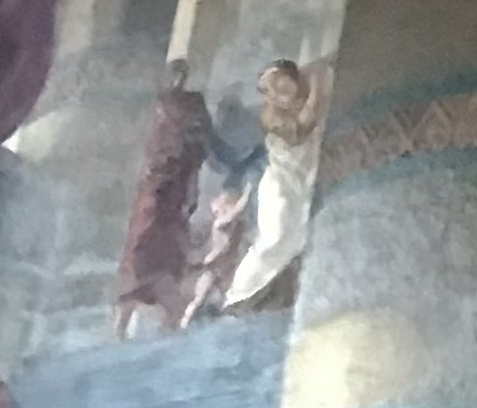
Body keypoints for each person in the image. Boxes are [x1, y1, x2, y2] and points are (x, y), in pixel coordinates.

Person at [187, 56, 326, 318]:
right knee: (275, 238)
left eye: (286, 87)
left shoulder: (295, 108)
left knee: (296, 237)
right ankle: (240, 294)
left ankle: (274, 294)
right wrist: (317, 83)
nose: (282, 95)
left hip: (299, 183)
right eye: (276, 90)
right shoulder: (272, 117)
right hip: (280, 189)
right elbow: (303, 126)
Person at [112, 60, 214, 335]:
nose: (175, 80)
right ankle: (123, 319)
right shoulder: (156, 104)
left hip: (178, 177)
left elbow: (202, 136)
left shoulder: (192, 103)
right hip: (155, 178)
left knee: (168, 234)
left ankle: (171, 313)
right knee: (142, 233)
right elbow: (145, 140)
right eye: (172, 75)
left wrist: (186, 148)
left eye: (180, 75)